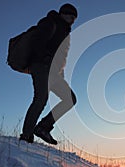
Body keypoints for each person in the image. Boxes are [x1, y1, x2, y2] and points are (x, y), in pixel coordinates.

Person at [19, 3, 78, 145]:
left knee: (70, 99)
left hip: (55, 72)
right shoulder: (50, 22)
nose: (72, 21)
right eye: (71, 17)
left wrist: (60, 72)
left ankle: (43, 127)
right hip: (41, 66)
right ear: (63, 13)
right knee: (40, 99)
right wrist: (44, 58)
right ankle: (26, 135)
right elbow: (37, 41)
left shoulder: (65, 33)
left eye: (74, 19)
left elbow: (61, 56)